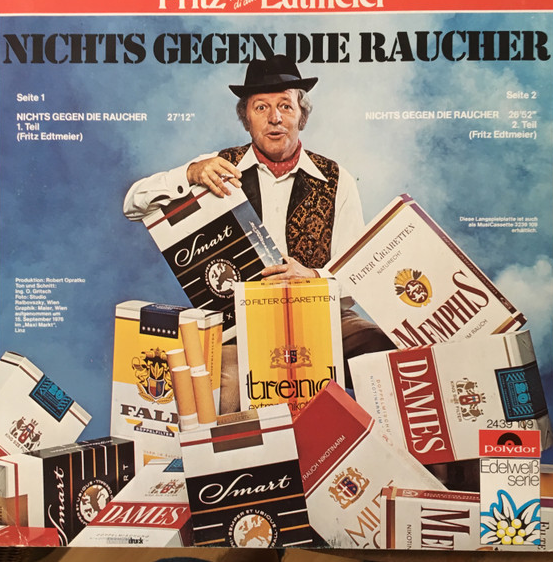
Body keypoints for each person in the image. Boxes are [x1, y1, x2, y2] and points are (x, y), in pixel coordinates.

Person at [124, 54, 394, 412]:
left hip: (322, 318)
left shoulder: (336, 178)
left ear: (302, 115)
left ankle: (377, 447)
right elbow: (133, 204)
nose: (275, 118)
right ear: (246, 118)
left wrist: (313, 278)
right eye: (261, 107)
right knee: (226, 386)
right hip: (243, 326)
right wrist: (189, 173)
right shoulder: (218, 167)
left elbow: (355, 278)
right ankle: (243, 452)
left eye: (286, 105)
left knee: (382, 350)